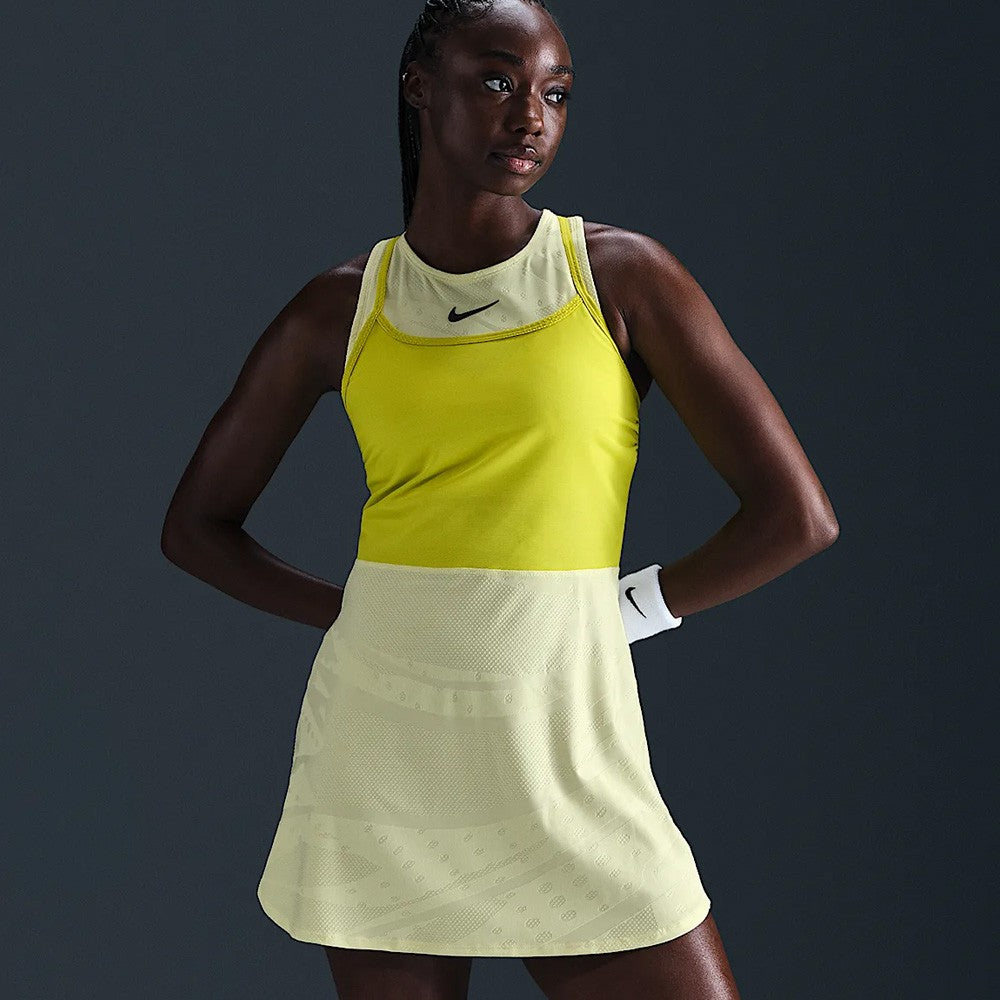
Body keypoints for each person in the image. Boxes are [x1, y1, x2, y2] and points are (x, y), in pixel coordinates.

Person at [161, 0, 839, 996]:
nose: (530, 117)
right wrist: (362, 613)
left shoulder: (617, 276)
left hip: (563, 744)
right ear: (418, 87)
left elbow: (796, 517)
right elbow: (196, 528)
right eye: (496, 81)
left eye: (555, 94)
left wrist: (625, 608)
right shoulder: (342, 306)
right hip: (386, 754)